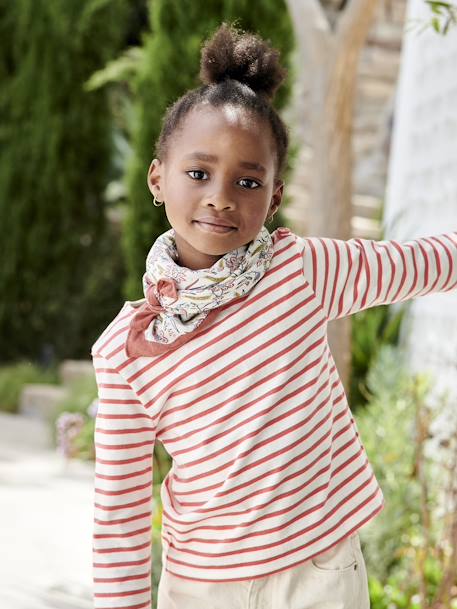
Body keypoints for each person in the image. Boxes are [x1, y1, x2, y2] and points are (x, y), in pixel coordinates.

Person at [90, 21, 457, 609]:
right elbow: (120, 506)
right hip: (202, 585)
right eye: (197, 173)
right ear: (157, 177)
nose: (220, 196)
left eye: (247, 180)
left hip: (320, 569)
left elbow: (415, 263)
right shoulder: (126, 349)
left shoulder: (299, 270)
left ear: (275, 196)